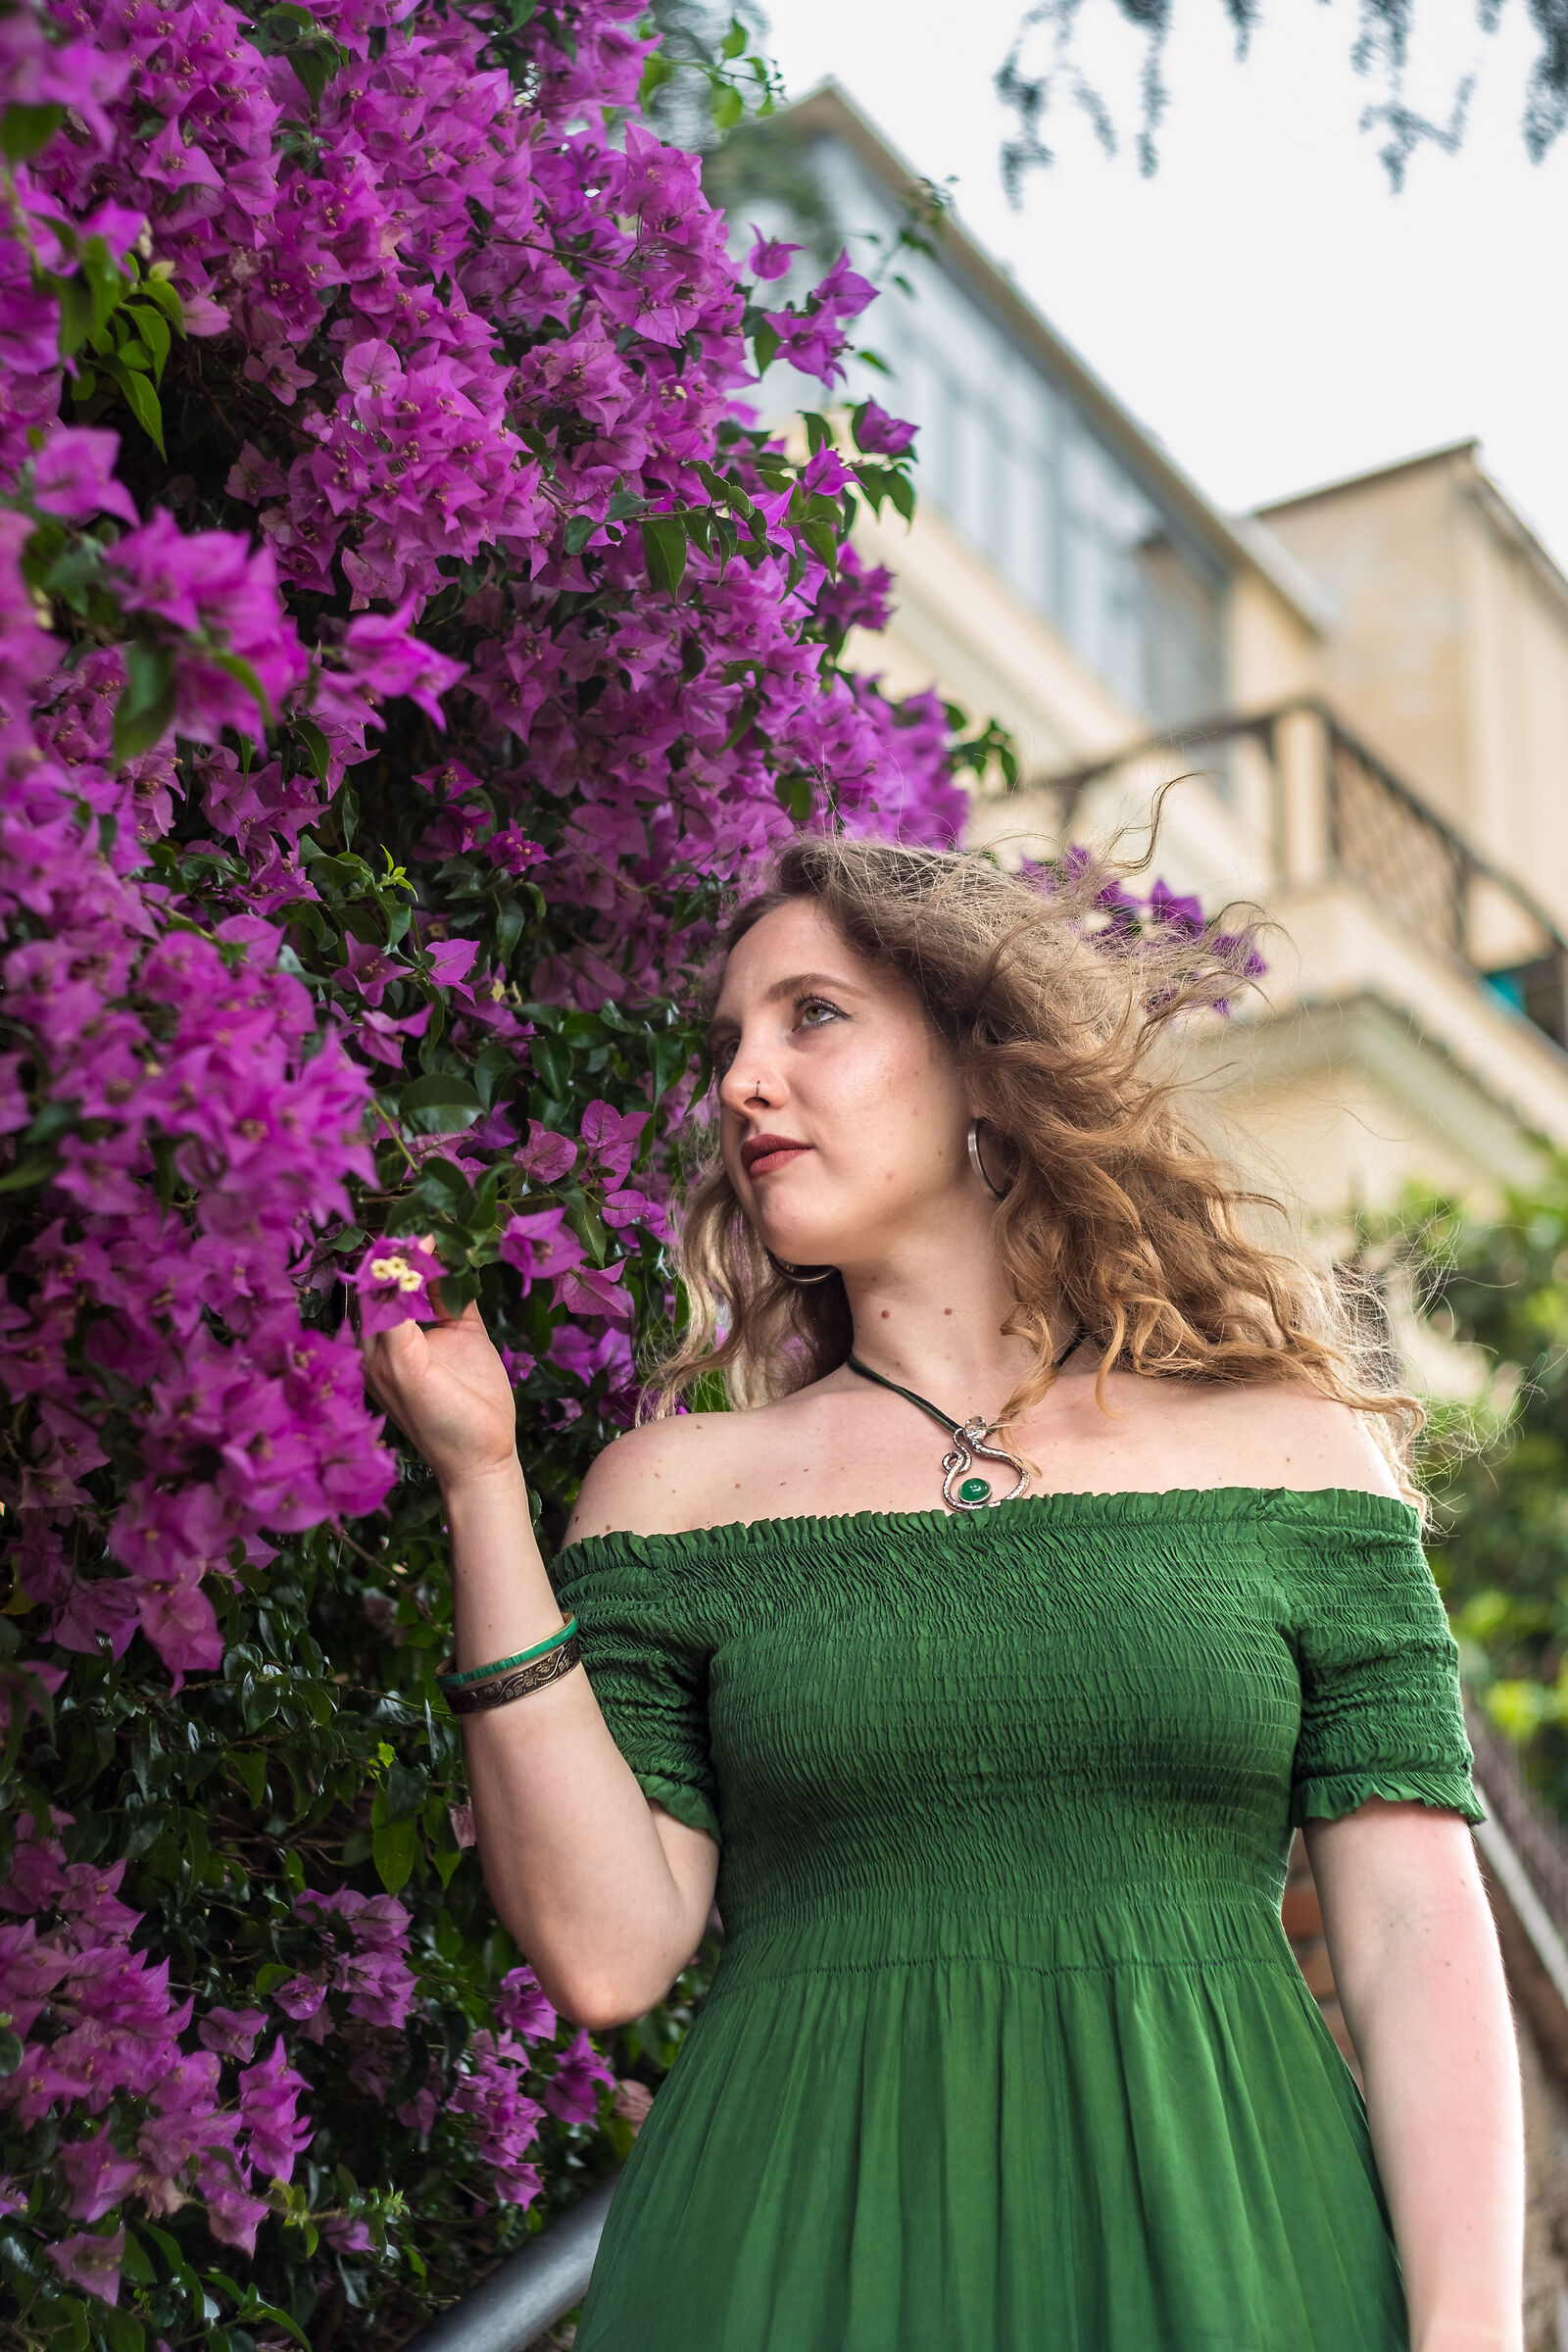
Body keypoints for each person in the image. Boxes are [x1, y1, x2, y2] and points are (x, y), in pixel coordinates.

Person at [361, 836, 1524, 2352]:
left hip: (1234, 2246)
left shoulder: (1300, 1453)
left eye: (812, 1017)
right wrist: (479, 1484)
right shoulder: (677, 1491)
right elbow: (607, 1951)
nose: (742, 1083)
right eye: (728, 1044)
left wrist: (1469, 2331)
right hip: (785, 2255)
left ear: (982, 1060)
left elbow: (1410, 1932)